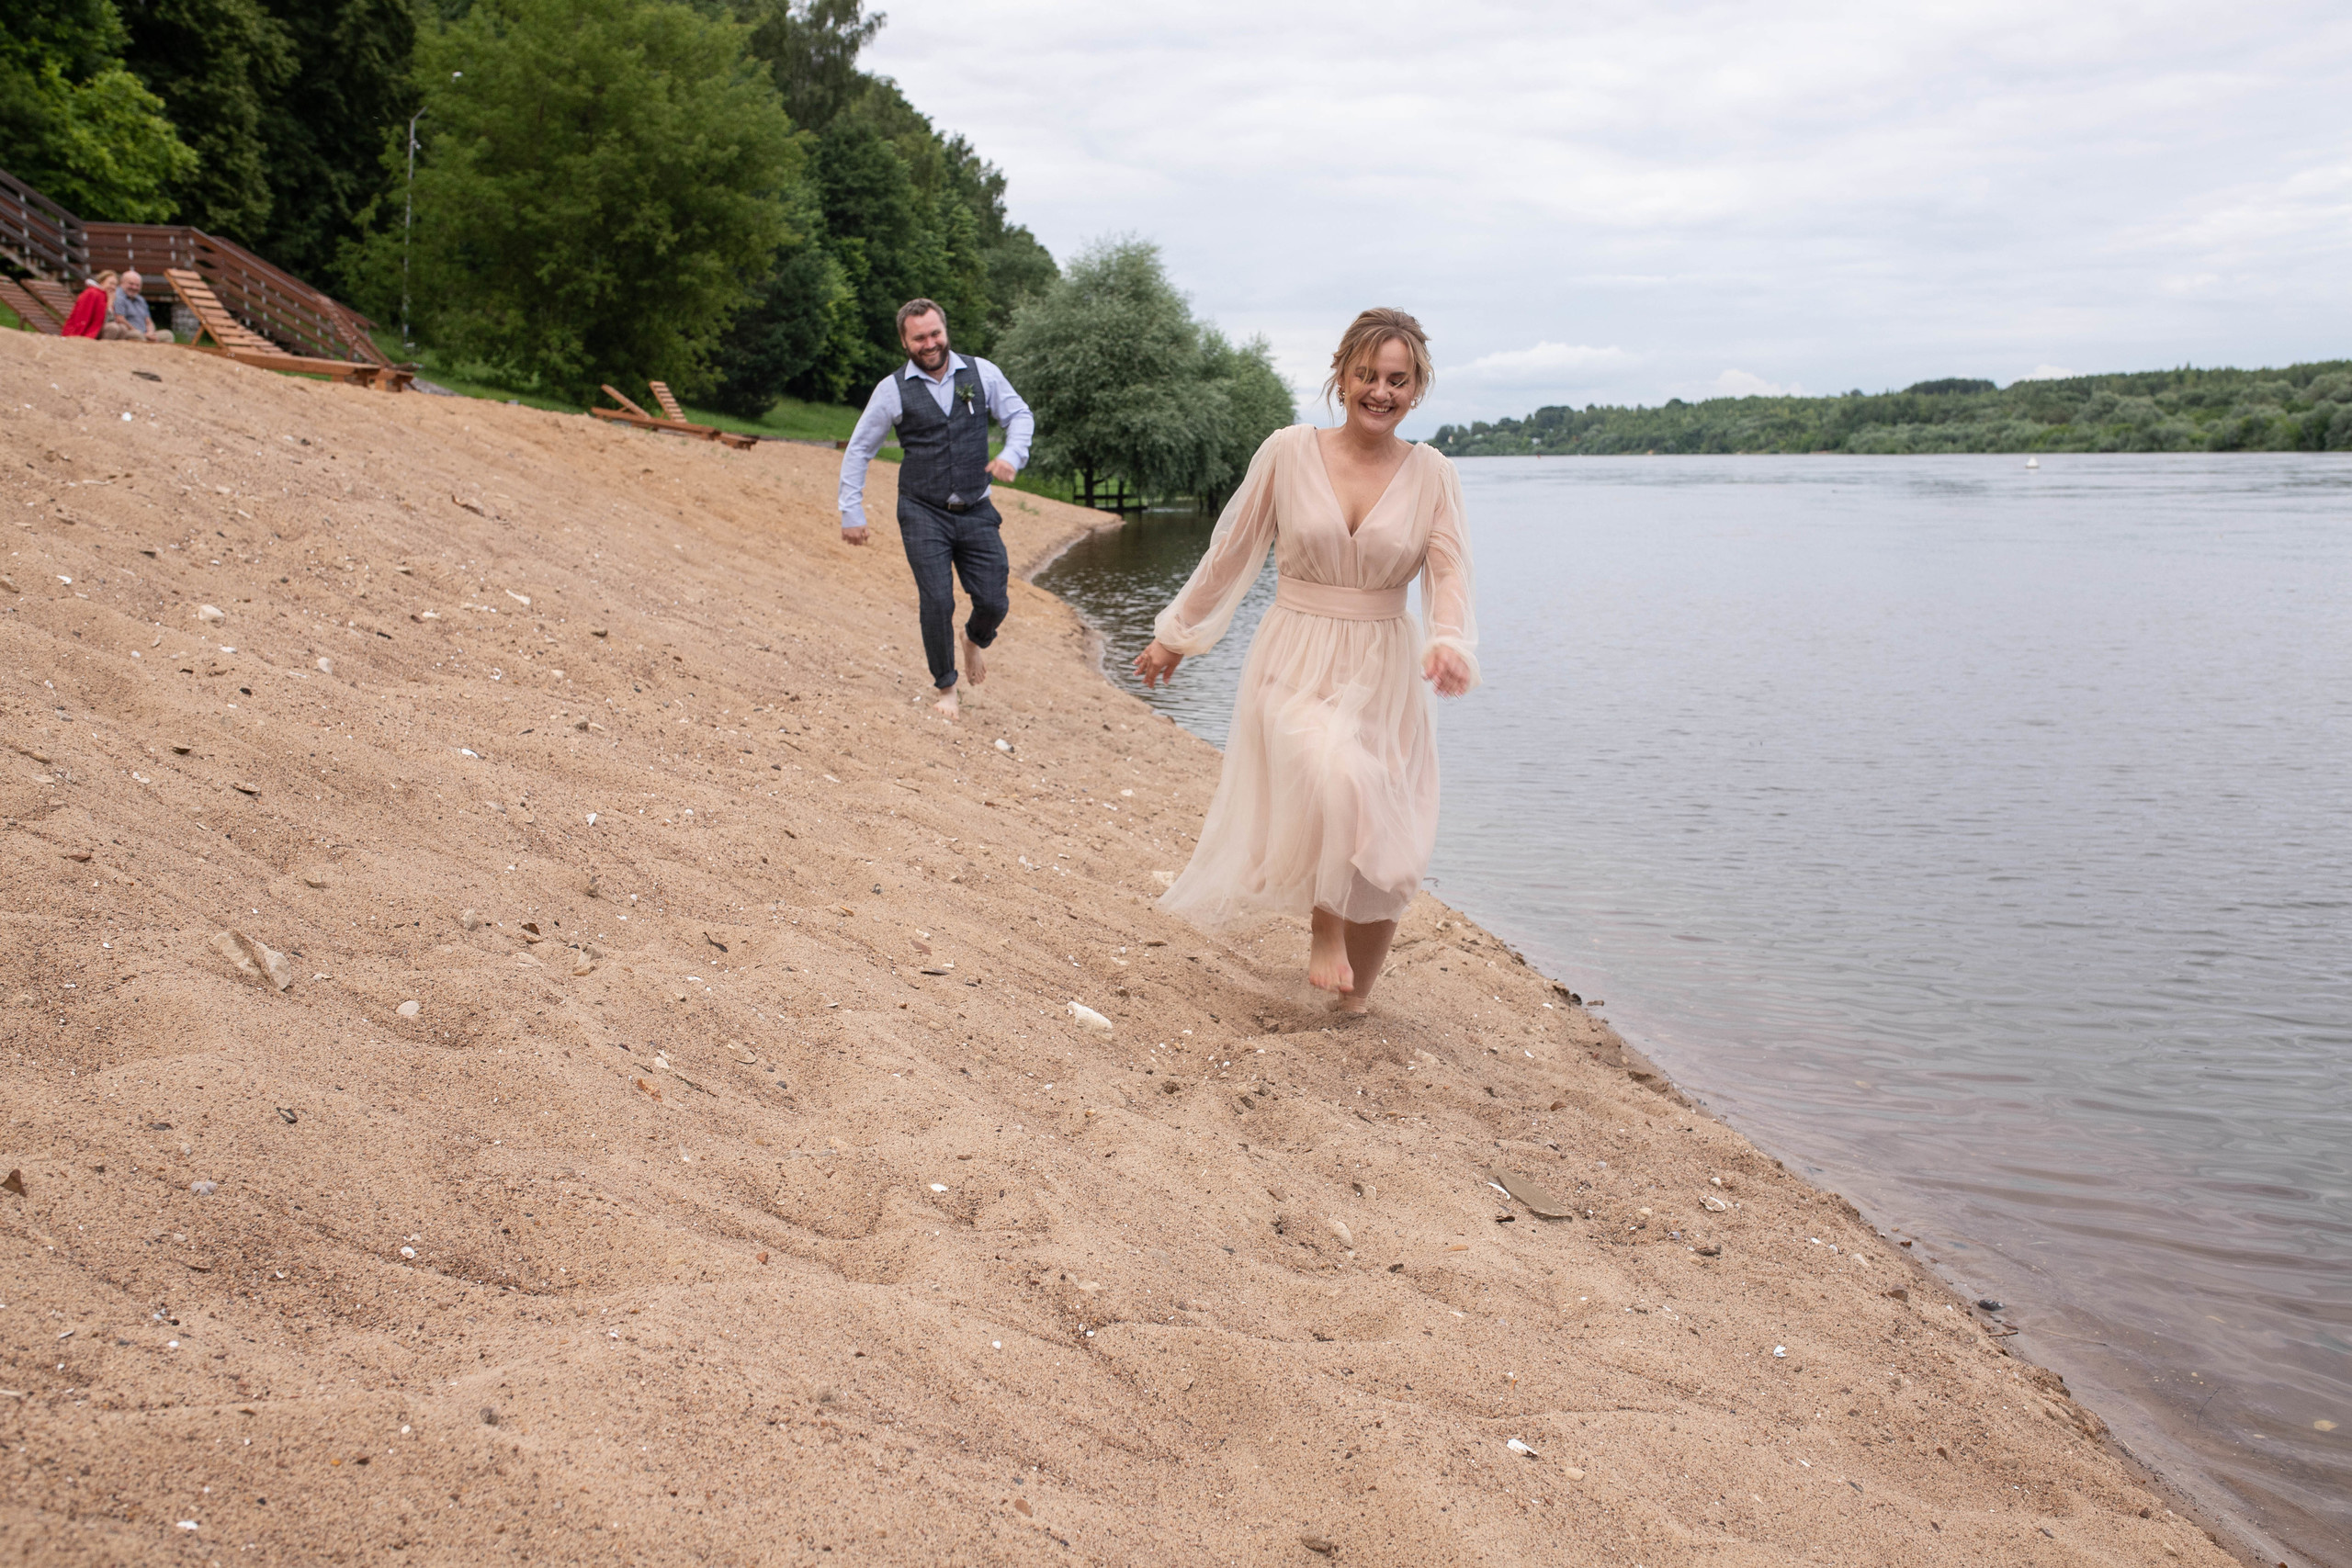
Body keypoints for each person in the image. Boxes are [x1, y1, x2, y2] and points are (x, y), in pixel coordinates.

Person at [1134, 308, 1476, 1016]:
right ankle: (1324, 927)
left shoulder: (1433, 473)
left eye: (1397, 380)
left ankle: (1356, 1002)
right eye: (1366, 375)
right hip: (1295, 655)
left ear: (1417, 389)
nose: (1380, 391)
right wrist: (1178, 633)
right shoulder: (1289, 452)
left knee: (1391, 841)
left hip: (1384, 667)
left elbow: (1450, 573)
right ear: (1341, 373)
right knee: (1337, 772)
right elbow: (1231, 548)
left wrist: (1450, 641)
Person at [837, 298, 1035, 719]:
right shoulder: (891, 390)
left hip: (978, 507)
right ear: (905, 342)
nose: (930, 344)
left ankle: (974, 639)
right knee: (937, 601)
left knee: (994, 600)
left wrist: (1012, 455)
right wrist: (851, 511)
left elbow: (1019, 415)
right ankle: (947, 688)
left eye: (935, 334)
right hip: (922, 509)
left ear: (945, 330)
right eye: (919, 338)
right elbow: (859, 450)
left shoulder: (982, 373)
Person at [106, 271, 174, 343]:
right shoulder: (118, 297)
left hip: (145, 334)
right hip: (130, 332)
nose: (134, 287)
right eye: (131, 284)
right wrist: (140, 333)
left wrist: (150, 333)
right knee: (137, 336)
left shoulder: (141, 300)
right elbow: (120, 319)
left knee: (168, 335)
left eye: (137, 285)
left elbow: (148, 321)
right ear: (122, 283)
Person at [59, 271, 118, 339]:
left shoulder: (107, 296)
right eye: (111, 283)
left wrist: (110, 303)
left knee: (122, 329)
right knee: (113, 328)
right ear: (102, 282)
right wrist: (109, 304)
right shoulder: (92, 293)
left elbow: (110, 320)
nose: (113, 287)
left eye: (115, 285)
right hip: (88, 329)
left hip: (98, 327)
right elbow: (82, 316)